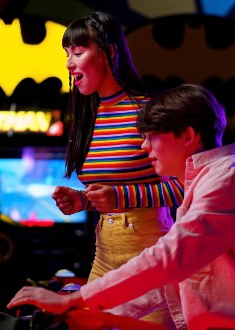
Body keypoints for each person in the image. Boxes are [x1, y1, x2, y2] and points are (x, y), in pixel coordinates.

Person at [9, 84, 235, 329]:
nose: (144, 147)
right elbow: (172, 276)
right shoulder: (207, 180)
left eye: (151, 136)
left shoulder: (230, 180)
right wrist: (89, 309)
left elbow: (169, 259)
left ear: (187, 135)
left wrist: (76, 299)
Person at [51, 11, 184, 327]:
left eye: (79, 52)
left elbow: (185, 185)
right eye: (67, 54)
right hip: (104, 252)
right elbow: (110, 191)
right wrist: (83, 200)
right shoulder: (88, 114)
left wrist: (121, 197)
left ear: (109, 52)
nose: (70, 63)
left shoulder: (148, 110)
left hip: (149, 248)